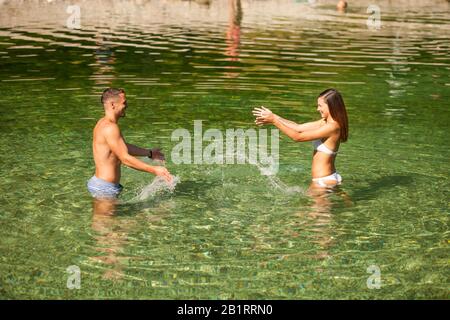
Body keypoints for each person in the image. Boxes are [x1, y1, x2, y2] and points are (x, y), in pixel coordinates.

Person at [252, 88, 349, 190]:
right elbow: (298, 127)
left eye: (320, 106)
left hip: (323, 182)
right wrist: (274, 117)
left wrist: (274, 121)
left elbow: (297, 137)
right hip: (328, 178)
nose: (317, 109)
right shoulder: (325, 122)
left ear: (330, 106)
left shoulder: (332, 127)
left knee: (305, 206)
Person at [87, 88, 172, 200]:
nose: (126, 105)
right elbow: (125, 158)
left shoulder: (103, 123)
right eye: (124, 103)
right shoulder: (110, 128)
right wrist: (154, 169)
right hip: (104, 189)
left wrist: (149, 153)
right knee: (104, 218)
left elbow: (122, 147)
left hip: (103, 185)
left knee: (113, 218)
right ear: (113, 104)